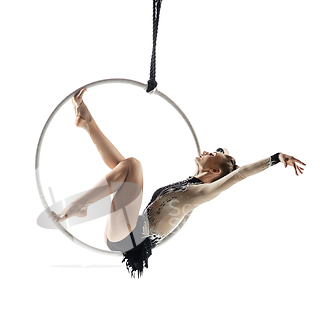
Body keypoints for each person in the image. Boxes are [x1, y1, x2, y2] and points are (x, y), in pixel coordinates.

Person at [51, 88, 306, 277]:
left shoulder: (203, 192)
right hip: (128, 229)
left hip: (131, 238)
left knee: (133, 166)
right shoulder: (188, 184)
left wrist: (276, 158)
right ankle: (87, 122)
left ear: (216, 170)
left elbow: (238, 174)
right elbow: (123, 174)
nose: (207, 150)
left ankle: (78, 206)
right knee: (124, 167)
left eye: (213, 154)